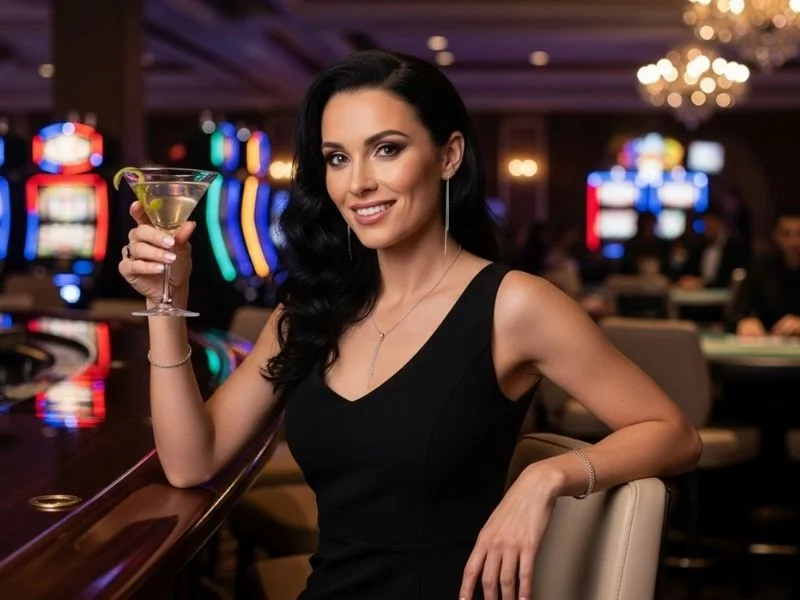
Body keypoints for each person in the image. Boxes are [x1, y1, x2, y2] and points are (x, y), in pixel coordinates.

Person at [119, 50, 701, 600]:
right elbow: (191, 461)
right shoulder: (311, 310)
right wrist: (167, 301)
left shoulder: (513, 304)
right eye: (338, 158)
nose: (358, 184)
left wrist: (548, 475)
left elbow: (674, 432)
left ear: (448, 156)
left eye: (387, 149)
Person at [733, 206, 800, 337]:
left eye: (799, 234)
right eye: (786, 234)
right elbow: (738, 311)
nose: (794, 242)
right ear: (775, 236)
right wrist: (744, 322)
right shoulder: (759, 269)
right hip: (765, 346)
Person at [676, 205, 746, 290]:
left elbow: (730, 278)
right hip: (698, 297)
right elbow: (687, 270)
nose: (708, 227)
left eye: (711, 222)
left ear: (721, 222)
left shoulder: (735, 247)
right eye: (705, 224)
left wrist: (703, 284)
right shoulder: (700, 246)